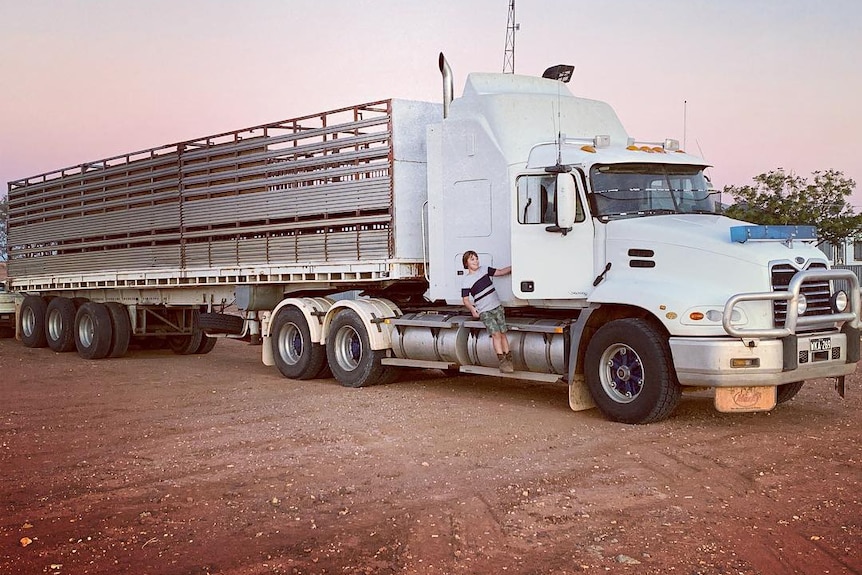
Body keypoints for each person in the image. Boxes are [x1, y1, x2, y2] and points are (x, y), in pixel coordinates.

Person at [460, 250, 514, 373]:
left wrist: (513, 267)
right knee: (495, 334)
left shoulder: (484, 270)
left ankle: (509, 359)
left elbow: (500, 272)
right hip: (485, 311)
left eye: (476, 258)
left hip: (497, 307)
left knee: (503, 333)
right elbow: (466, 300)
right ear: (466, 263)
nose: (476, 261)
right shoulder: (466, 281)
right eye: (472, 259)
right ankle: (502, 361)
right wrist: (473, 310)